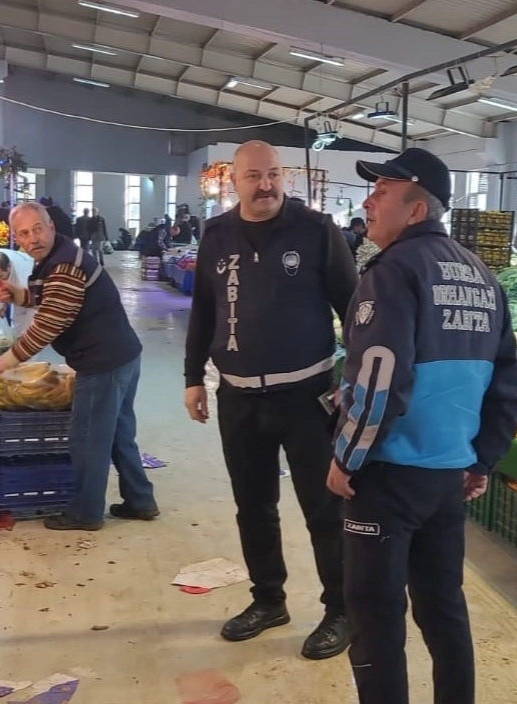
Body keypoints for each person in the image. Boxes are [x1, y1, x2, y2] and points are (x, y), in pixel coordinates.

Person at [328, 148, 517, 704]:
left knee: (374, 613)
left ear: (416, 210)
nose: (368, 202)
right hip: (447, 480)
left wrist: (346, 457)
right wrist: (481, 459)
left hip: (388, 475)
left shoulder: (392, 272)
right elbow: (510, 385)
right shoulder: (482, 276)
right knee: (443, 608)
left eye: (382, 192)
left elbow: (379, 378)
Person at [183, 140, 358, 660]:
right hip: (239, 399)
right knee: (254, 507)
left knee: (324, 508)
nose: (265, 185)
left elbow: (354, 310)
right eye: (254, 176)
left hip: (308, 396)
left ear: (285, 177)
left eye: (274, 174)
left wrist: (355, 380)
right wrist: (193, 377)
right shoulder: (216, 235)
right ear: (234, 182)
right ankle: (268, 600)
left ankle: (341, 609)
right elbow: (204, 311)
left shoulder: (316, 230)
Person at [0, 202, 158, 531]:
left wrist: (6, 361)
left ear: (51, 226)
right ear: (17, 239)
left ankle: (86, 513)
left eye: (38, 229)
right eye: (24, 233)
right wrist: (16, 294)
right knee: (118, 435)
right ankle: (140, 499)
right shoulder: (57, 256)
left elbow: (49, 323)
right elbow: (47, 296)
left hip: (102, 362)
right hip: (122, 355)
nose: (33, 238)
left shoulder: (64, 264)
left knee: (88, 439)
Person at [0, 248, 37, 336]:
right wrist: (1, 303)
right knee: (16, 327)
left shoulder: (25, 274)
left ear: (9, 267)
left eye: (0, 276)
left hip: (31, 295)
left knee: (27, 328)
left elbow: (33, 304)